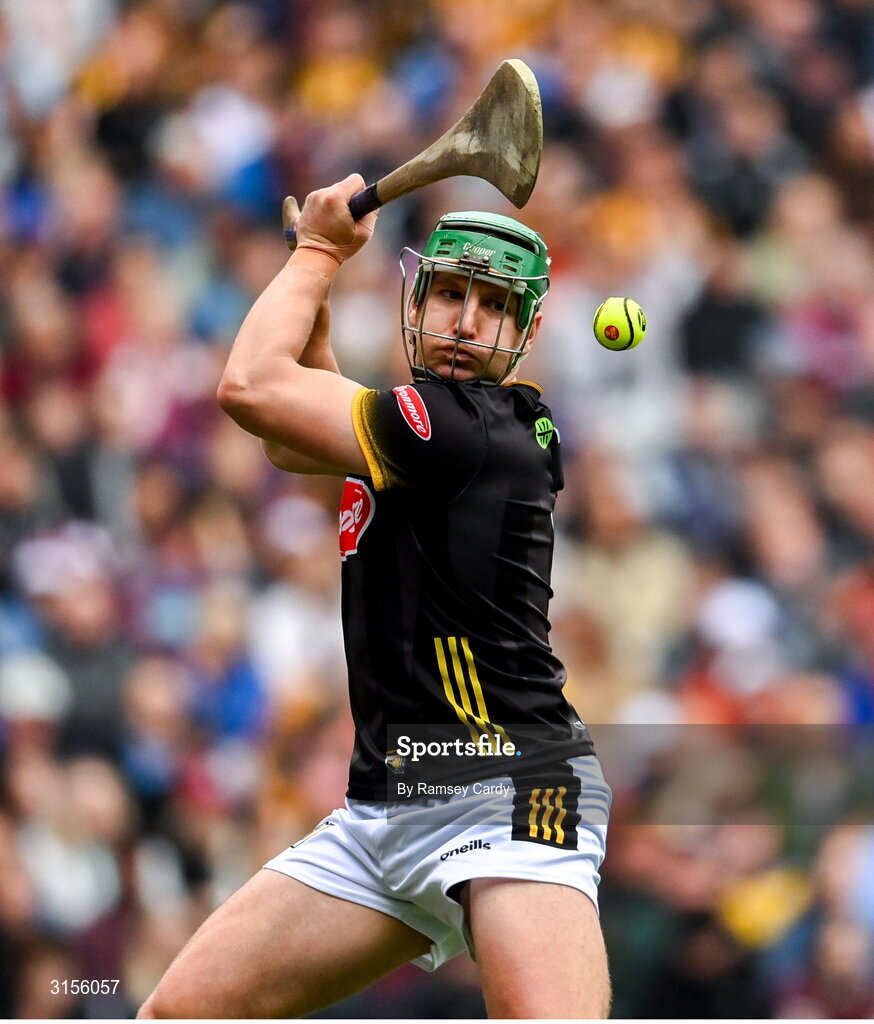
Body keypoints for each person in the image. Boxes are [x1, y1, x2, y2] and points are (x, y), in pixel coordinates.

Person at [138, 174, 612, 1019]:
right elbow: (294, 438)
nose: (467, 323)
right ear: (418, 298)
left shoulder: (461, 428)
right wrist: (309, 278)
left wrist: (319, 252)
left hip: (509, 787)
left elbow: (250, 386)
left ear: (528, 330)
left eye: (495, 306)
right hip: (389, 802)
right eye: (453, 293)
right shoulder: (417, 427)